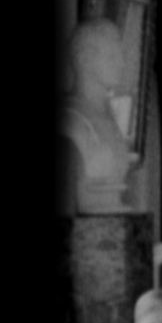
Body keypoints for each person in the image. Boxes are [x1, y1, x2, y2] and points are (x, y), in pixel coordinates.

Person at [61, 18, 138, 214]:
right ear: (85, 60)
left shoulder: (110, 116)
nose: (122, 63)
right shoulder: (71, 120)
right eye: (112, 56)